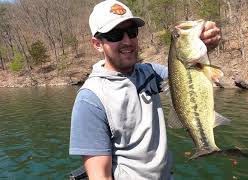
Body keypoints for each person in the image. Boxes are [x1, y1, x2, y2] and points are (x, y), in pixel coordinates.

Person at [69, 0, 221, 179]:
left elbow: (188, 80)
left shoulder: (150, 72)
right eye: (115, 34)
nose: (127, 41)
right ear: (97, 44)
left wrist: (204, 45)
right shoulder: (91, 99)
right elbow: (99, 175)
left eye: (132, 32)